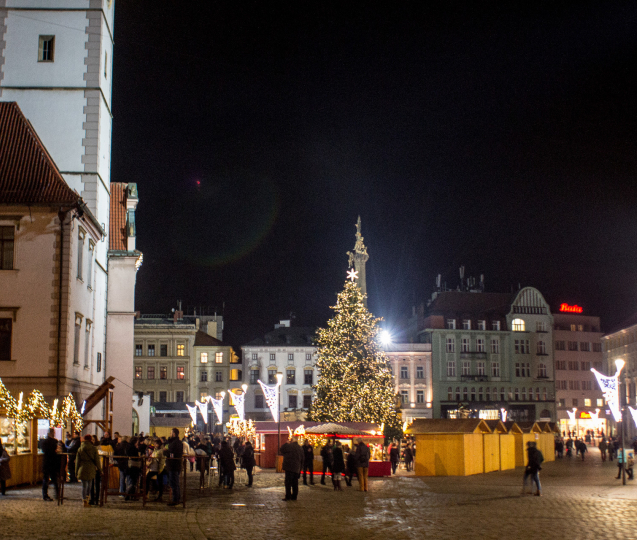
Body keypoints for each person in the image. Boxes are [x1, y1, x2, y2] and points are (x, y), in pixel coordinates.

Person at [76, 434, 101, 507]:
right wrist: (100, 469)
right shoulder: (93, 448)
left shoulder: (80, 448)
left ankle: (84, 500)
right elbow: (97, 460)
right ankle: (87, 498)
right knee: (89, 484)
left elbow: (77, 461)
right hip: (91, 468)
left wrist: (76, 471)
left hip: (82, 468)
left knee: (84, 485)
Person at [280, 436, 304, 501]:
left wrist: (286, 443)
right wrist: (300, 468)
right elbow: (302, 459)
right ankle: (294, 496)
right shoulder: (300, 448)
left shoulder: (289, 446)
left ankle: (288, 496)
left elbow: (281, 450)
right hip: (297, 467)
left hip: (289, 467)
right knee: (295, 483)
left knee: (288, 482)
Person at [166, 428, 184, 506]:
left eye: (171, 433)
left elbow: (170, 452)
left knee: (173, 483)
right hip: (177, 464)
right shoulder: (179, 443)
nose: (170, 435)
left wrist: (165, 451)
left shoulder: (174, 443)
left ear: (174, 434)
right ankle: (177, 498)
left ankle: (175, 499)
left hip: (173, 465)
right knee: (175, 482)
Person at [41, 428, 59, 501]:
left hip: (46, 462)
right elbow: (55, 451)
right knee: (54, 479)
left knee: (46, 479)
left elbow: (43, 450)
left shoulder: (43, 442)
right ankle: (57, 494)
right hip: (52, 463)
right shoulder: (54, 441)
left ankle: (45, 494)